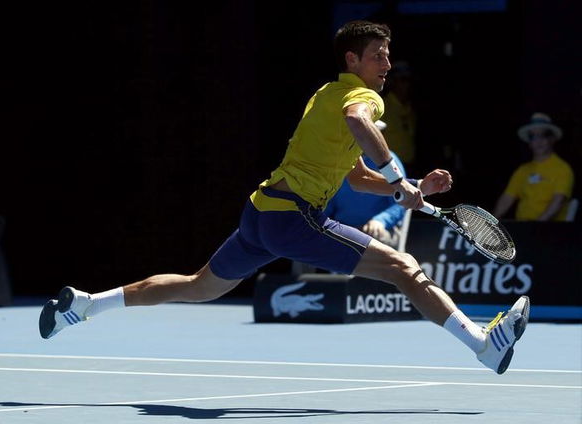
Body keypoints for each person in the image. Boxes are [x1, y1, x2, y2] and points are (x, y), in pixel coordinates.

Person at [39, 21, 529, 375]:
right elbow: (363, 126)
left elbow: (354, 177)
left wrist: (411, 189)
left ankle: (83, 306)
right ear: (352, 61)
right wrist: (394, 175)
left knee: (198, 285)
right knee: (403, 269)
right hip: (293, 218)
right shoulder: (365, 100)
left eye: (387, 55)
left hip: (261, 213)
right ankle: (483, 345)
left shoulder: (324, 96)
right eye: (378, 55)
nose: (386, 64)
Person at [494, 113, 574, 221]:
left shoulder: (563, 169)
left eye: (543, 135)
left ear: (552, 139)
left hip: (551, 230)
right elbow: (507, 198)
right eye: (533, 136)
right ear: (529, 142)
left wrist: (537, 226)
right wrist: (491, 222)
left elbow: (558, 202)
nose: (538, 141)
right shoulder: (522, 170)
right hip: (523, 227)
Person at [325, 151, 410, 248]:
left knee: (374, 241)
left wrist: (380, 221)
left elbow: (402, 202)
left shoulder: (387, 161)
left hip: (379, 230)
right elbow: (327, 202)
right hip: (341, 229)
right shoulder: (337, 160)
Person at [381, 61, 417, 172]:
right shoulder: (383, 106)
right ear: (393, 81)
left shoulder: (410, 107)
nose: (406, 85)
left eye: (408, 80)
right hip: (390, 168)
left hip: (410, 166)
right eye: (402, 80)